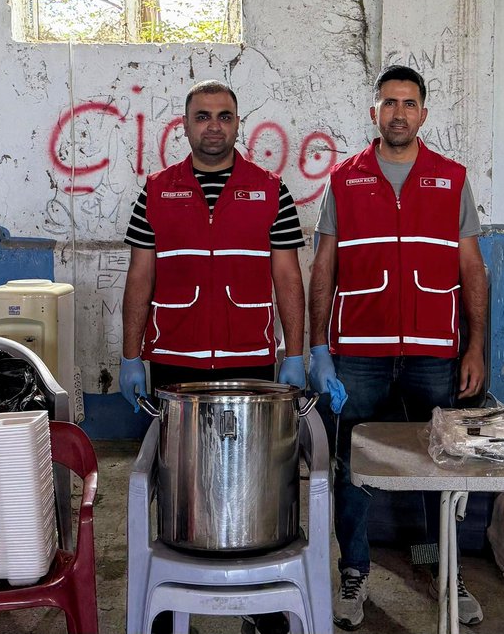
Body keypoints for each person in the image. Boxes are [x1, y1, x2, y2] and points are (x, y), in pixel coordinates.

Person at [117, 79, 306, 634]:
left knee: (260, 494)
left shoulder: (271, 191)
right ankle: (170, 607)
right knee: (177, 492)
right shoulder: (156, 191)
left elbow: (288, 278)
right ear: (185, 125)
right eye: (203, 116)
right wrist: (131, 356)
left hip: (251, 367)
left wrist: (295, 353)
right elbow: (139, 278)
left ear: (238, 123)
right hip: (176, 366)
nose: (214, 126)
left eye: (224, 116)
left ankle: (263, 608)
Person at [307, 65, 489, 631]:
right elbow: (323, 268)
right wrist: (317, 349)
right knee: (353, 464)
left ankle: (448, 572)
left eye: (409, 104)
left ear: (424, 114)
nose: (399, 113)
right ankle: (353, 570)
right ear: (374, 112)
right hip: (359, 351)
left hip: (436, 351)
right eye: (389, 103)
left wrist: (475, 345)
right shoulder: (345, 180)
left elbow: (472, 269)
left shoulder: (452, 179)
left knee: (445, 463)